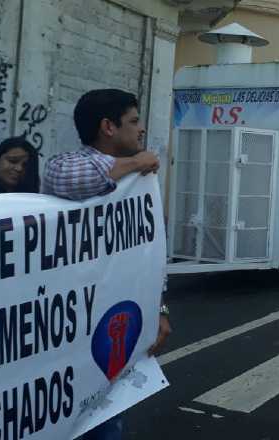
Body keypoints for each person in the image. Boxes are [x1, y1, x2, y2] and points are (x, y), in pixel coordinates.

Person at [43, 89, 171, 439]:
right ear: (107, 127)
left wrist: (159, 308)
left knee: (106, 418)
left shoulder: (138, 180)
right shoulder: (67, 165)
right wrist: (135, 164)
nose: (142, 129)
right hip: (70, 328)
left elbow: (150, 251)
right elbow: (65, 179)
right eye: (133, 121)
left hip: (111, 322)